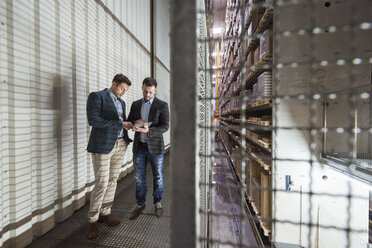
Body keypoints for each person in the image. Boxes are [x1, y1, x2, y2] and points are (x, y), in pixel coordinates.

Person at [85, 74, 133, 239]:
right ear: (113, 84)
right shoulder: (97, 96)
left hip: (120, 144)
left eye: (125, 90)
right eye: (121, 88)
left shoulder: (122, 103)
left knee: (113, 180)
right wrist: (120, 123)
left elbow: (121, 122)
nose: (123, 93)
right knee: (102, 183)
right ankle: (92, 221)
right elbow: (94, 120)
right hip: (102, 145)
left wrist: (131, 124)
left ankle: (105, 213)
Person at [127, 77, 169, 220]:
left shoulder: (162, 105)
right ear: (142, 88)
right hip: (139, 147)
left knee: (157, 176)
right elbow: (130, 119)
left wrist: (149, 131)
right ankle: (140, 204)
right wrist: (134, 124)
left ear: (155, 90)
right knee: (139, 178)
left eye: (150, 92)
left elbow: (165, 126)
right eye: (145, 91)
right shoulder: (136, 104)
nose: (147, 95)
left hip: (155, 147)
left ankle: (158, 203)